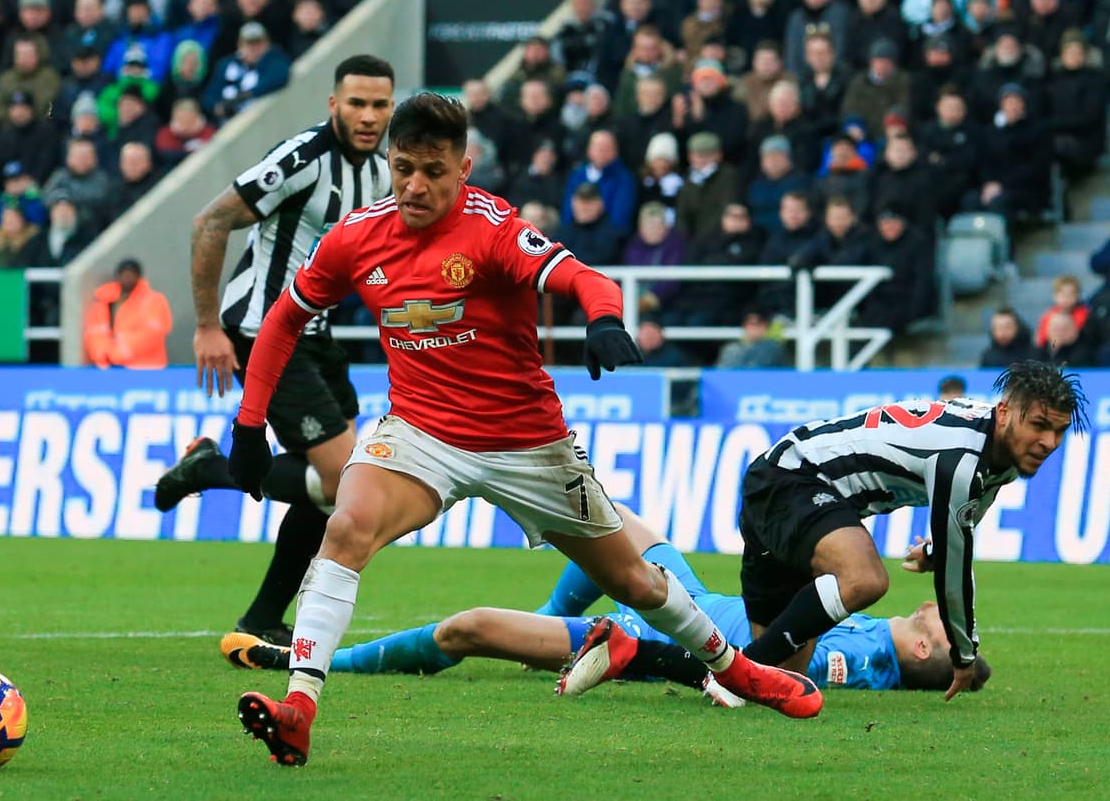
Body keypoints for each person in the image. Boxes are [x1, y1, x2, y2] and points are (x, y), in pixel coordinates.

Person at [227, 92, 824, 768]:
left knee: (634, 582)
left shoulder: (492, 229)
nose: (415, 186)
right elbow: (283, 318)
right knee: (345, 528)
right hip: (421, 432)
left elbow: (585, 278)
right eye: (402, 169)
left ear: (464, 168)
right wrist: (249, 425)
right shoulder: (357, 234)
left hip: (527, 444)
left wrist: (604, 319)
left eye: (433, 171)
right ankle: (299, 708)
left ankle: (737, 670)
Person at [232, 505, 992, 697]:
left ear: (923, 647)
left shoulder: (864, 660)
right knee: (590, 508)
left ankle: (315, 660)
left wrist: (658, 660)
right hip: (686, 594)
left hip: (658, 628)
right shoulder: (878, 633)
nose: (938, 610)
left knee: (466, 628)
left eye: (936, 620)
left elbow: (780, 671)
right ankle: (548, 611)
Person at [155, 56, 397, 651]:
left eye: (380, 105)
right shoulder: (303, 158)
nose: (368, 116)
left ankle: (262, 618)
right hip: (265, 329)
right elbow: (211, 221)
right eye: (357, 103)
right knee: (341, 481)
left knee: (336, 491)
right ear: (334, 105)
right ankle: (209, 468)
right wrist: (207, 326)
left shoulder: (381, 172)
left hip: (319, 335)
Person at [735, 361, 1085, 702]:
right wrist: (963, 654)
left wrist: (934, 550)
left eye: (1059, 430)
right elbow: (954, 573)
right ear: (1004, 412)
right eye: (1039, 425)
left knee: (781, 680)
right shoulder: (961, 457)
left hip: (790, 488)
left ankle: (735, 671)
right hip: (795, 477)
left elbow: (967, 517)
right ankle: (733, 670)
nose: (1049, 442)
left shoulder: (997, 451)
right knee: (865, 579)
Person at [83, 258, 173, 369]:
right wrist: (103, 354)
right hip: (110, 368)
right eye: (123, 274)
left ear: (138, 276)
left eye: (131, 275)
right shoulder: (104, 300)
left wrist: (122, 352)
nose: (127, 278)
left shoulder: (154, 300)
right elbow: (95, 332)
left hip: (146, 368)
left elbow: (153, 334)